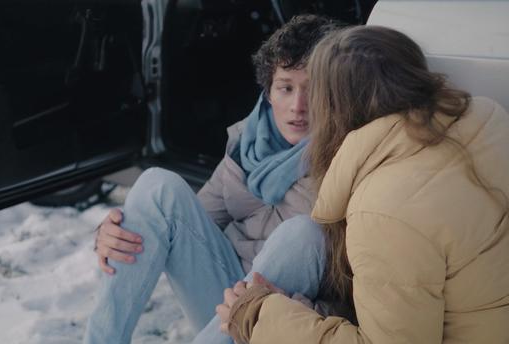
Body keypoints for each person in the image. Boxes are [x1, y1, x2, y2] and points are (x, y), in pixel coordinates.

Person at [218, 25, 509, 343]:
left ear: (334, 108)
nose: (302, 106)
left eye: (314, 93)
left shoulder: (384, 209)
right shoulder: (487, 119)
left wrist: (260, 318)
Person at [83, 15, 341, 344]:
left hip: (279, 324)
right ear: (269, 91)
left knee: (303, 232)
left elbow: (360, 301)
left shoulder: (347, 162)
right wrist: (116, 233)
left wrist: (297, 311)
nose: (298, 106)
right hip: (222, 303)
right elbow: (184, 225)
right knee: (156, 186)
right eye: (286, 87)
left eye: (314, 89)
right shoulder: (249, 142)